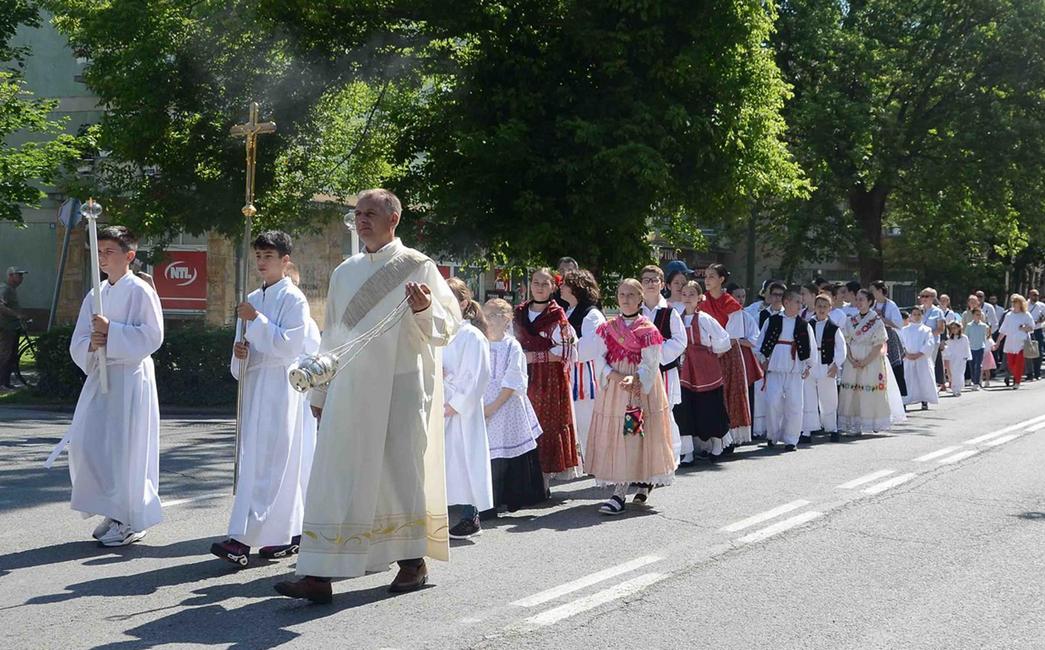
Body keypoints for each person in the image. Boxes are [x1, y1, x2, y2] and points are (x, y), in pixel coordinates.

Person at [274, 189, 461, 603]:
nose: (361, 220)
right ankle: (318, 573)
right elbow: (333, 335)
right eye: (358, 213)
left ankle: (412, 562)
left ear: (394, 219)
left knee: (398, 473)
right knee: (336, 474)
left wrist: (424, 309)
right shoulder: (344, 272)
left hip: (401, 385)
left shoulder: (419, 265)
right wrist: (320, 391)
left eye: (371, 213)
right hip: (350, 386)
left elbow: (449, 326)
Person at [48, 227, 163, 547]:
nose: (102, 258)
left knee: (126, 448)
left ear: (129, 256)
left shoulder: (141, 291)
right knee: (90, 444)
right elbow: (80, 338)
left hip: (129, 376)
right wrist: (91, 345)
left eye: (109, 252)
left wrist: (113, 331)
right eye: (99, 252)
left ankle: (130, 518)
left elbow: (152, 336)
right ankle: (113, 509)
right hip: (102, 376)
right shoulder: (96, 293)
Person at [211, 232, 313, 567]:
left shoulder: (294, 299)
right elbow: (243, 351)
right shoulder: (252, 297)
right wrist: (240, 353)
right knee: (255, 461)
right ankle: (282, 535)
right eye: (258, 256)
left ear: (285, 260)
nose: (261, 262)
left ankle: (242, 539)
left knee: (272, 462)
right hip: (256, 384)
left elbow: (290, 346)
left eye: (268, 256)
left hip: (280, 386)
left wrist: (257, 320)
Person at [585, 279, 675, 514]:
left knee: (633, 433)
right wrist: (613, 375)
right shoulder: (608, 328)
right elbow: (599, 357)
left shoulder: (648, 330)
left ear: (640, 298)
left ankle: (623, 491)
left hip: (637, 390)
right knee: (617, 435)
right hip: (614, 388)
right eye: (622, 294)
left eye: (631, 294)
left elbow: (651, 363)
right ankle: (628, 485)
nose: (625, 299)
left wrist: (635, 380)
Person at [515, 268, 580, 488]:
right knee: (523, 421)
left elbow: (568, 351)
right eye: (536, 283)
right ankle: (524, 477)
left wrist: (534, 357)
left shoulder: (557, 315)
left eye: (545, 283)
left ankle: (543, 479)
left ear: (553, 287)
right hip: (523, 375)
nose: (540, 287)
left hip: (549, 378)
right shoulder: (519, 312)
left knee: (546, 423)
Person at [481, 299, 545, 512]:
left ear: (507, 319)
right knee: (486, 452)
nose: (491, 320)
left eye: (496, 315)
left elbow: (513, 378)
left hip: (506, 405)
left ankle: (510, 498)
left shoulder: (512, 345)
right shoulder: (480, 342)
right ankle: (487, 501)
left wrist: (493, 407)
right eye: (488, 315)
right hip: (482, 403)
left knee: (506, 451)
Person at [442, 278, 493, 540]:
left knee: (464, 459)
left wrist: (456, 403)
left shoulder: (472, 336)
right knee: (444, 462)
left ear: (463, 303)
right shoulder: (438, 333)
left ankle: (469, 515)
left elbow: (478, 375)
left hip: (461, 410)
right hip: (438, 404)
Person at [703, 264, 761, 450]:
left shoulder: (731, 304)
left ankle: (728, 437)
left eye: (712, 276)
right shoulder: (701, 301)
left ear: (721, 279)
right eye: (706, 276)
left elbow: (732, 336)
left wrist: (715, 352)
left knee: (728, 395)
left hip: (727, 353)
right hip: (706, 353)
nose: (707, 280)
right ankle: (709, 438)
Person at [674, 281, 732, 461]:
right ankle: (688, 452)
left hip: (706, 369)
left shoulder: (705, 318)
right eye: (684, 294)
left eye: (692, 294)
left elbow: (723, 339)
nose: (687, 297)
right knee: (684, 408)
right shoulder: (677, 318)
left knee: (710, 406)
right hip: (685, 369)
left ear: (700, 297)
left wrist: (711, 355)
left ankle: (717, 444)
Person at [755, 286, 818, 451]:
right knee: (772, 402)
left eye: (801, 302)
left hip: (795, 369)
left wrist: (809, 365)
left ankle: (791, 439)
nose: (800, 305)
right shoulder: (772, 320)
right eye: (797, 302)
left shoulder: (804, 325)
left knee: (795, 405)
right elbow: (760, 343)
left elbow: (811, 346)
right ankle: (773, 435)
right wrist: (762, 359)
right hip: (775, 368)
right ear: (787, 302)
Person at [638, 265, 687, 462]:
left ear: (662, 284)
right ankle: (643, 459)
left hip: (664, 371)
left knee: (664, 414)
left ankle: (668, 458)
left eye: (654, 280)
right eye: (646, 280)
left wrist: (656, 352)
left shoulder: (670, 312)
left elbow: (680, 341)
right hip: (640, 371)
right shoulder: (636, 311)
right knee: (640, 412)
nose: (650, 284)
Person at [285, 261, 321, 521]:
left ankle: (303, 515)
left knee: (301, 456)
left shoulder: (306, 322)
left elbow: (312, 357)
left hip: (297, 395)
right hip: (276, 395)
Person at [561, 270, 606, 462]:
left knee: (587, 421)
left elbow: (592, 347)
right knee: (577, 421)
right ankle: (583, 460)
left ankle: (595, 461)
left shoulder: (592, 314)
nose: (561, 287)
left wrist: (562, 348)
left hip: (585, 380)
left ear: (576, 288)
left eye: (565, 284)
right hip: (570, 375)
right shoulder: (568, 311)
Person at [838, 289, 892, 434]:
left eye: (862, 299)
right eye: (857, 299)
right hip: (853, 361)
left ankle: (870, 423)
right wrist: (851, 359)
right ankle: (853, 424)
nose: (859, 302)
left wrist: (865, 361)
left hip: (871, 361)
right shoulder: (850, 321)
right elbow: (846, 342)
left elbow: (879, 344)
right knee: (852, 392)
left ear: (870, 302)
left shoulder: (877, 321)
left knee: (868, 391)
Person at [803, 293, 847, 442]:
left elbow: (841, 348)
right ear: (814, 307)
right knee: (808, 397)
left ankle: (832, 428)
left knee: (829, 398)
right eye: (819, 306)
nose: (821, 309)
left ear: (830, 308)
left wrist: (836, 365)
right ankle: (807, 430)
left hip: (827, 364)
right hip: (810, 364)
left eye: (825, 306)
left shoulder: (833, 328)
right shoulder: (807, 325)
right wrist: (804, 363)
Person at [752, 281, 787, 438]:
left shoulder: (789, 316)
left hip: (782, 361)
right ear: (769, 296)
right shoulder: (761, 315)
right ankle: (761, 428)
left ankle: (780, 428)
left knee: (780, 397)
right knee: (761, 394)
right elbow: (756, 338)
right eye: (774, 294)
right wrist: (762, 358)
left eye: (780, 295)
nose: (777, 298)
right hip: (763, 359)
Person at [870, 280, 906, 399]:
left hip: (889, 338)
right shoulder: (873, 305)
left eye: (873, 290)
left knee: (894, 367)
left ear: (880, 291)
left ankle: (899, 397)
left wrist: (882, 318)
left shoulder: (891, 305)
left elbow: (899, 324)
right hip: (875, 338)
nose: (871, 293)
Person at [900, 307, 939, 410]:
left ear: (922, 316)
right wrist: (906, 354)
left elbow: (929, 343)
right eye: (914, 314)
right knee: (907, 380)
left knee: (923, 380)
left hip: (922, 359)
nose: (916, 317)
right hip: (908, 359)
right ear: (910, 316)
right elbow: (901, 343)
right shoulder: (904, 330)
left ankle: (924, 399)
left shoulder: (926, 330)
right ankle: (904, 400)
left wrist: (920, 354)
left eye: (919, 314)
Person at [997, 293, 1035, 390]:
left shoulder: (1026, 314)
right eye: (1013, 302)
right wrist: (997, 342)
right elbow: (1003, 330)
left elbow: (1032, 327)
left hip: (1021, 343)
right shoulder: (1009, 315)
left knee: (1019, 364)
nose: (1014, 303)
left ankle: (1017, 381)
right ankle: (1016, 375)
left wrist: (1024, 328)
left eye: (1016, 302)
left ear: (1021, 303)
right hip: (1010, 343)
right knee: (1011, 364)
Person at [0, 266, 27, 389]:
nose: (21, 278)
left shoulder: (12, 289)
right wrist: (16, 315)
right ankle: (2, 383)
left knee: (11, 356)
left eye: (22, 275)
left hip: (13, 328)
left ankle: (6, 382)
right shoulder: (5, 289)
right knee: (5, 355)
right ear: (10, 276)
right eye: (19, 275)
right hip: (6, 328)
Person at [918, 288, 946, 390]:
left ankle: (931, 388)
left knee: (929, 365)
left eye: (926, 296)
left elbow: (941, 329)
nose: (924, 298)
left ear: (933, 298)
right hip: (918, 342)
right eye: (922, 296)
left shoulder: (938, 311)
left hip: (932, 342)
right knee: (919, 366)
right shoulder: (918, 310)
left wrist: (927, 334)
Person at [1026, 289, 1045, 381]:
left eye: (1037, 295)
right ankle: (1029, 373)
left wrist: (1041, 320)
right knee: (1028, 352)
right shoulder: (1025, 304)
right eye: (1034, 295)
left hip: (1038, 330)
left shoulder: (1042, 305)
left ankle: (1037, 373)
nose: (1036, 297)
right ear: (1029, 295)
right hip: (1027, 331)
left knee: (1039, 352)